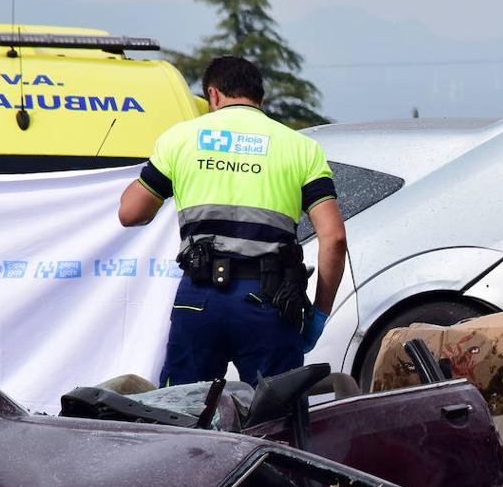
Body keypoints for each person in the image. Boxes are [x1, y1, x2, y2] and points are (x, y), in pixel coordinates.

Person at [118, 56, 346, 386]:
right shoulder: (300, 147)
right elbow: (334, 238)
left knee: (183, 415)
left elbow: (130, 213)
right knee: (276, 422)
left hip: (200, 298)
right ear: (260, 98)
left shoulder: (180, 139)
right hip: (270, 301)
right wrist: (320, 314)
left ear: (213, 94)